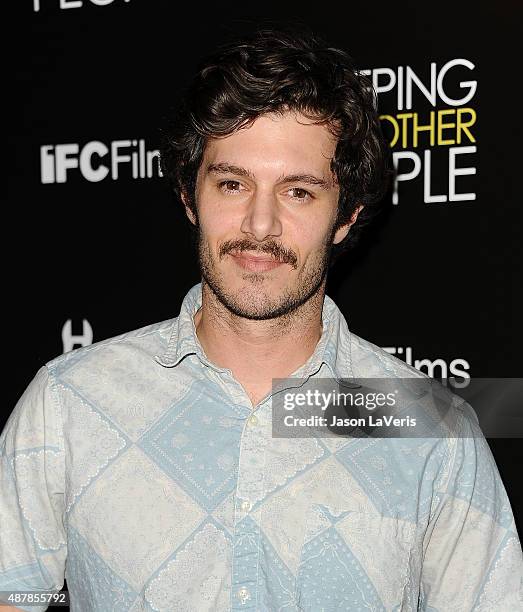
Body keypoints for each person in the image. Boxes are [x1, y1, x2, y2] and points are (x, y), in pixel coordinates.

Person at [1, 26, 522, 612]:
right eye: (232, 184)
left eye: (298, 192)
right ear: (188, 195)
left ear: (346, 215)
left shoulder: (431, 427)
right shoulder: (71, 402)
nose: (260, 225)